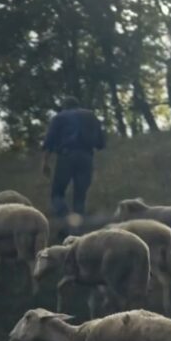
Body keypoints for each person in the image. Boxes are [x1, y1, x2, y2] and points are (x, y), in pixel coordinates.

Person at [42, 96, 106, 236]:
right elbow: (101, 143)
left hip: (66, 156)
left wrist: (45, 162)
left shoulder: (59, 118)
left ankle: (67, 222)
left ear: (64, 106)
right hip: (86, 157)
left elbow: (49, 141)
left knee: (57, 194)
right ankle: (78, 229)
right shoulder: (91, 116)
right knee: (80, 195)